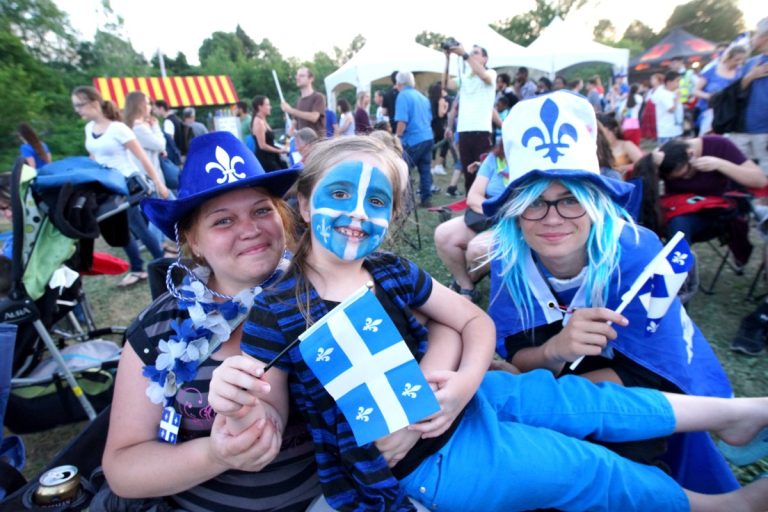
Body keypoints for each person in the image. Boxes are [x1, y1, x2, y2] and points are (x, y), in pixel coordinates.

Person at [209, 135, 768, 512]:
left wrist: (462, 385)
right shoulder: (276, 312)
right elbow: (272, 419)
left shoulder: (389, 270)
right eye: (338, 194)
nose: (357, 213)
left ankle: (737, 415)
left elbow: (473, 322)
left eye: (375, 200)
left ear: (390, 213)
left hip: (468, 401)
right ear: (303, 205)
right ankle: (719, 508)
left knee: (585, 402)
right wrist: (236, 409)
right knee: (583, 469)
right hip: (425, 458)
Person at [101, 131, 322, 511]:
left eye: (261, 210)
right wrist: (216, 455)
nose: (250, 229)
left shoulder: (326, 289)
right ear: (194, 242)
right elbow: (122, 466)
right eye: (223, 221)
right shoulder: (158, 328)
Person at [71, 86, 168, 287]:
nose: (77, 110)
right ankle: (139, 268)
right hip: (106, 186)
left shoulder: (118, 128)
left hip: (127, 183)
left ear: (94, 103)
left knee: (137, 227)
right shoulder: (89, 129)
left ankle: (161, 263)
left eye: (80, 105)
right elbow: (94, 156)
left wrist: (158, 184)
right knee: (119, 230)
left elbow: (142, 157)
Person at [634, 135, 767, 269]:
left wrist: (720, 164)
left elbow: (760, 180)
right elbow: (637, 185)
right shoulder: (667, 155)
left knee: (678, 224)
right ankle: (666, 272)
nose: (687, 178)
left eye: (686, 173)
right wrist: (651, 163)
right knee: (668, 221)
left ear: (691, 155)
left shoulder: (719, 145)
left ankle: (676, 273)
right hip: (681, 212)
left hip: (716, 213)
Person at [434, 141, 507, 302]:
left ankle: (470, 278)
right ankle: (467, 285)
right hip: (490, 217)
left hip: (517, 223)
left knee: (478, 249)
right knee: (444, 234)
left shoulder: (534, 160)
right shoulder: (494, 158)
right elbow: (474, 196)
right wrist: (497, 214)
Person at [445, 44, 496, 194]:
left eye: (476, 53)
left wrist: (465, 55)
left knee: (482, 172)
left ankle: (484, 207)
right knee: (468, 173)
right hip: (464, 131)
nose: (471, 55)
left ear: (484, 59)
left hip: (481, 131)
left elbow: (484, 77)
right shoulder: (465, 77)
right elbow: (447, 85)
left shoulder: (491, 73)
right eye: (471, 53)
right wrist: (447, 59)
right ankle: (471, 205)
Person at [729, 18, 768, 175]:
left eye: (755, 34)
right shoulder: (751, 63)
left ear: (765, 36)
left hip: (764, 131)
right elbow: (735, 91)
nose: (752, 38)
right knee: (742, 172)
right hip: (741, 130)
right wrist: (751, 76)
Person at [394, 71, 436, 208]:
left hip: (413, 139)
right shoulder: (422, 97)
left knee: (403, 168)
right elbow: (429, 118)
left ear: (399, 83)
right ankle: (426, 199)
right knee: (425, 170)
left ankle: (406, 201)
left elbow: (402, 121)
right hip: (428, 137)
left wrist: (397, 137)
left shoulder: (403, 96)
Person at [693, 44, 748, 136]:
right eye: (737, 60)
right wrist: (710, 96)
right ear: (728, 57)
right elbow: (695, 90)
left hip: (728, 115)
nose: (739, 63)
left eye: (742, 60)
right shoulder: (712, 70)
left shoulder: (739, 73)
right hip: (709, 113)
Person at [281, 67, 326, 137]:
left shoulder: (318, 97)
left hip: (317, 144)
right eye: (297, 76)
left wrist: (290, 110)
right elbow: (295, 123)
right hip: (303, 145)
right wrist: (288, 135)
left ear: (311, 79)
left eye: (301, 76)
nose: (297, 78)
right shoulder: (298, 101)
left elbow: (314, 117)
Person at [251, 95, 286, 172]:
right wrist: (279, 151)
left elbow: (270, 142)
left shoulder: (263, 120)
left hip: (272, 157)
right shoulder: (258, 122)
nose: (270, 107)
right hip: (266, 160)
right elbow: (262, 145)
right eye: (267, 105)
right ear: (260, 107)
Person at [653, 71, 684, 144]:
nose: (679, 84)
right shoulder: (663, 94)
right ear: (669, 82)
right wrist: (677, 99)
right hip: (667, 132)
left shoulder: (671, 92)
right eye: (677, 81)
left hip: (675, 130)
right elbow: (671, 109)